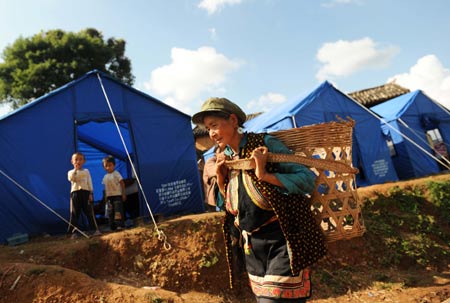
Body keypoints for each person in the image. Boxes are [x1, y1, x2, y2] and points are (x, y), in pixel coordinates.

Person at [192, 98, 327, 303]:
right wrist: (220, 180)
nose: (211, 133)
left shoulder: (264, 144)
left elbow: (306, 180)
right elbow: (227, 205)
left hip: (283, 239)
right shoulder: (225, 158)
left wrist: (264, 175)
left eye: (214, 126)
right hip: (252, 247)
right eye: (208, 128)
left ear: (233, 120)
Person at [67, 152, 101, 238]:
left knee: (89, 212)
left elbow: (89, 182)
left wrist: (90, 193)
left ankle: (94, 230)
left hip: (85, 193)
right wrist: (75, 169)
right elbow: (71, 179)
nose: (78, 161)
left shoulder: (86, 171)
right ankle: (73, 232)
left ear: (84, 161)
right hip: (75, 193)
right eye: (76, 159)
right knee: (74, 213)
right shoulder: (71, 172)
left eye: (80, 159)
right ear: (72, 161)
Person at [102, 155, 127, 231]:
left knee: (118, 211)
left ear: (114, 165)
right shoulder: (105, 177)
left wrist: (123, 194)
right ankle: (112, 226)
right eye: (106, 166)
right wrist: (105, 196)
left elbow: (122, 183)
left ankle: (119, 225)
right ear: (104, 167)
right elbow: (105, 187)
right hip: (109, 197)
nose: (108, 167)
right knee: (110, 211)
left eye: (110, 165)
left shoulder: (116, 174)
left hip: (117, 196)